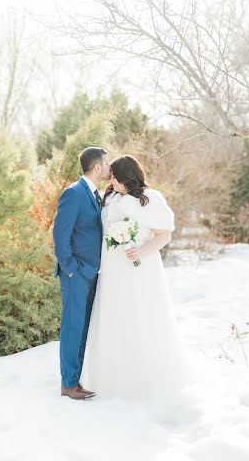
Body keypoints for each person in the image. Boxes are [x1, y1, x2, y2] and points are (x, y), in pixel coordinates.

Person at [80, 155, 190, 403]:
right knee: (114, 316)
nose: (112, 180)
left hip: (141, 268)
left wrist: (140, 251)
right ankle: (111, 376)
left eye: (116, 177)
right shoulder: (110, 198)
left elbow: (164, 235)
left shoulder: (151, 199)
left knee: (140, 316)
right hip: (113, 269)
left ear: (128, 177)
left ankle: (145, 376)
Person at [53, 146, 111, 400]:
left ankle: (75, 379)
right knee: (73, 327)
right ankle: (68, 384)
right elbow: (60, 234)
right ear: (97, 166)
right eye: (107, 163)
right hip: (76, 274)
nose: (110, 167)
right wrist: (71, 270)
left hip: (91, 273)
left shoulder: (95, 193)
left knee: (83, 327)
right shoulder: (74, 193)